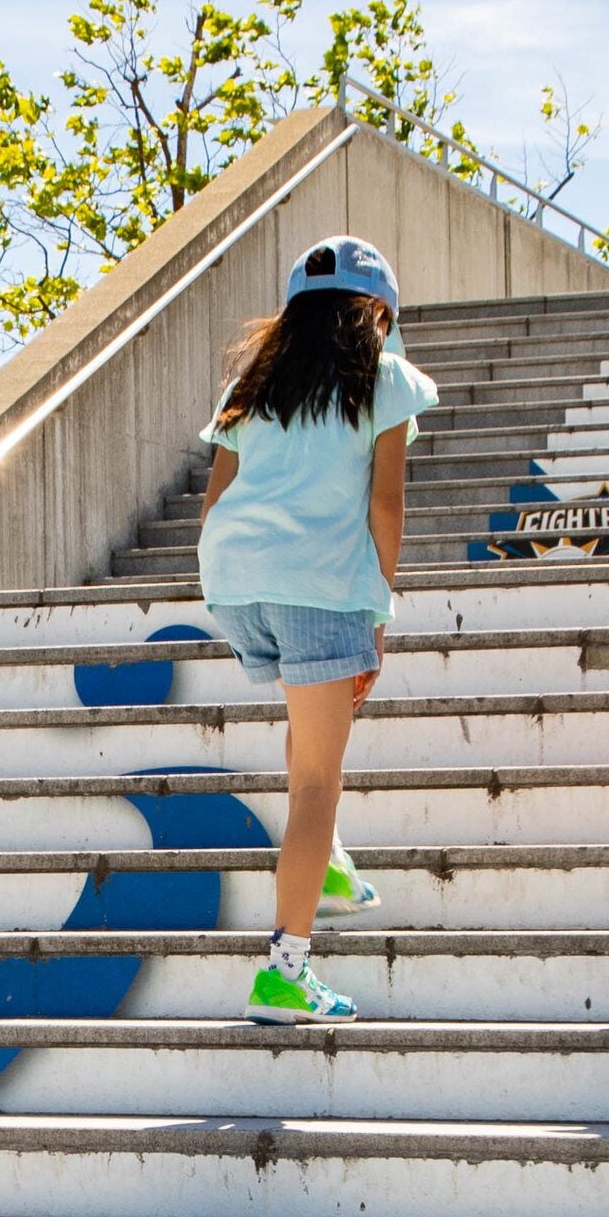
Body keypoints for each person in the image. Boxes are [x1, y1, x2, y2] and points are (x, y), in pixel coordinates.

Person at [195, 234, 438, 1023]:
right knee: (317, 783)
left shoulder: (252, 382)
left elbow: (213, 500)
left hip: (236, 578)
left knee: (309, 736)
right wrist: (378, 610)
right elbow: (386, 507)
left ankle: (327, 865)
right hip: (318, 585)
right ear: (376, 312)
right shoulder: (385, 379)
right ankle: (286, 972)